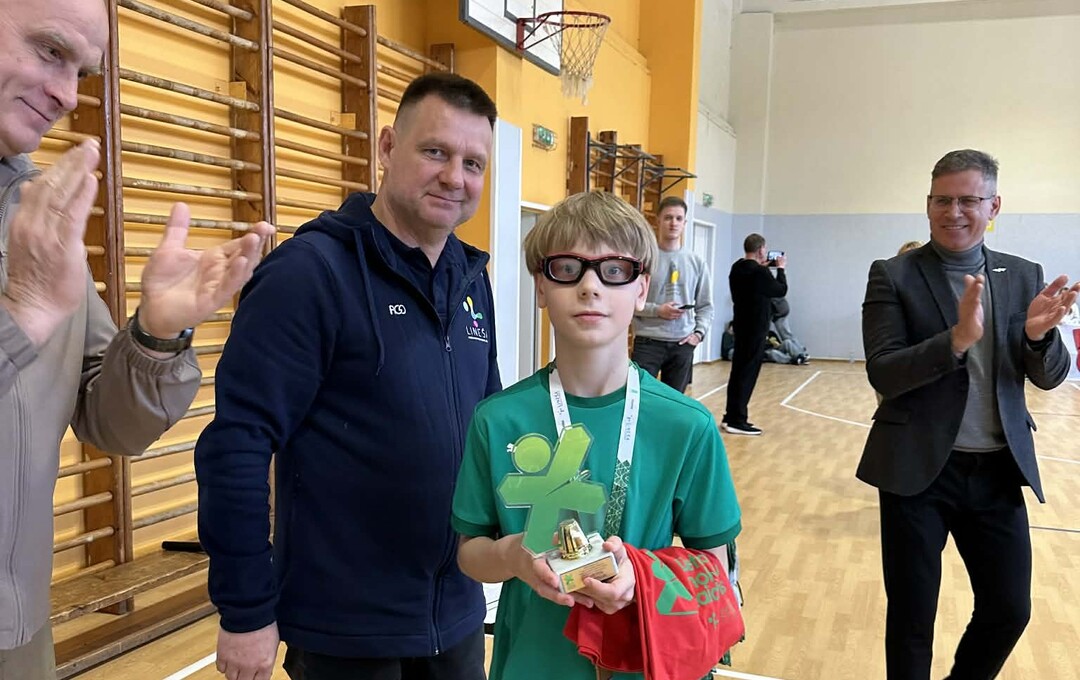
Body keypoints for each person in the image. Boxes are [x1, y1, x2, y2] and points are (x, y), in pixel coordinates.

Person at [195, 73, 501, 680]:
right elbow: (237, 444)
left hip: (458, 616)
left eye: (473, 164)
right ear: (387, 147)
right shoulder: (309, 274)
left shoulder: (470, 279)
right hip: (346, 631)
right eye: (435, 151)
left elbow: (489, 428)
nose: (454, 177)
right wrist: (246, 609)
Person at [0, 1, 274, 677]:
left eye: (81, 72)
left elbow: (109, 422)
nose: (68, 95)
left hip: (16, 624)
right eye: (50, 51)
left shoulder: (37, 211)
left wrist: (156, 335)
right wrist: (23, 319)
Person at [452, 191, 741, 680]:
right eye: (567, 269)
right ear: (541, 287)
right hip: (534, 663)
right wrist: (512, 556)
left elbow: (715, 570)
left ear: (642, 289)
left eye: (614, 270)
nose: (590, 286)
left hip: (644, 661)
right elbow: (469, 553)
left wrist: (640, 577)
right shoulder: (497, 419)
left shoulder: (687, 425)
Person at [859, 149, 1079, 680]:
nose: (953, 212)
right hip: (917, 471)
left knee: (1009, 609)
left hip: (998, 471)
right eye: (942, 200)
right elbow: (884, 372)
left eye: (967, 200)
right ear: (927, 203)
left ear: (993, 205)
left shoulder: (1023, 275)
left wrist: (1037, 336)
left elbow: (1050, 376)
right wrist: (954, 341)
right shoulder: (894, 274)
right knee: (912, 618)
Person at [630, 196, 713, 393]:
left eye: (678, 218)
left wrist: (698, 334)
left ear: (684, 223)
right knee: (639, 397)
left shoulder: (697, 262)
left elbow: (705, 306)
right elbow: (628, 302)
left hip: (682, 344)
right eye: (668, 217)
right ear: (658, 220)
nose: (673, 223)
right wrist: (657, 310)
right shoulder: (643, 260)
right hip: (648, 342)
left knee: (674, 403)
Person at [722, 234, 787, 435]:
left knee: (738, 372)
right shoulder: (760, 273)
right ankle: (737, 419)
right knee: (747, 374)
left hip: (741, 326)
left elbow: (754, 284)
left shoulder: (737, 268)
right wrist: (781, 269)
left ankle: (731, 416)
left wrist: (764, 268)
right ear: (760, 250)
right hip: (755, 329)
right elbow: (780, 290)